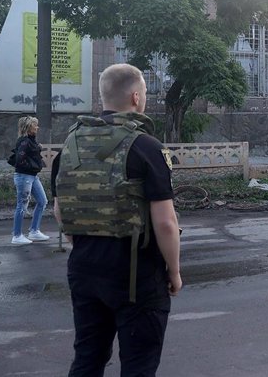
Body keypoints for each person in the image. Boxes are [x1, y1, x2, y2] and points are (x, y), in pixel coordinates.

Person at [52, 63, 181, 377]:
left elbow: (60, 211)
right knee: (138, 365)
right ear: (136, 97)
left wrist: (86, 241)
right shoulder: (147, 147)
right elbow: (165, 223)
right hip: (136, 278)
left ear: (102, 98)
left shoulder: (70, 145)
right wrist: (174, 274)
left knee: (87, 359)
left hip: (83, 270)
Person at [11, 116, 50, 245]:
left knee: (42, 201)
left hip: (32, 176)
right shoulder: (24, 142)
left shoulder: (30, 141)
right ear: (29, 127)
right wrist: (32, 167)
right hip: (24, 177)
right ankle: (17, 236)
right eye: (35, 125)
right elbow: (19, 161)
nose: (37, 127)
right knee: (21, 206)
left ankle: (34, 231)